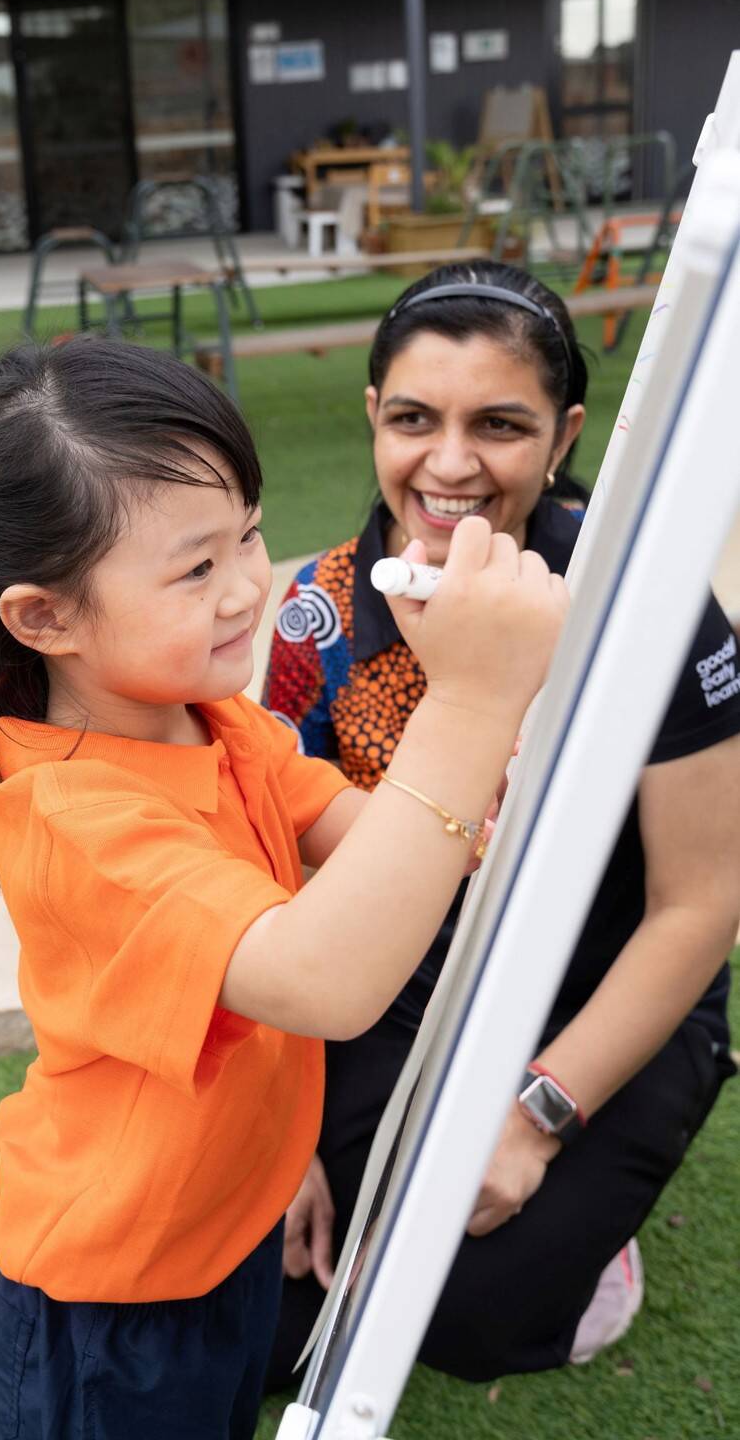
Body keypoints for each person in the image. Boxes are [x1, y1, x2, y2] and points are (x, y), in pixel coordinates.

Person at [0, 335, 567, 1439]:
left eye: (248, 534)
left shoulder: (213, 716)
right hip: (116, 1294)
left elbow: (354, 832)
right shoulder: (79, 820)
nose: (249, 585)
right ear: (44, 617)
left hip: (227, 1223)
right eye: (196, 567)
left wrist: (494, 780)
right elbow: (323, 975)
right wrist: (467, 708)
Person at [263, 261, 740, 1388]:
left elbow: (701, 903)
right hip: (397, 989)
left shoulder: (654, 607)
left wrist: (532, 1120)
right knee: (276, 1295)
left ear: (566, 432)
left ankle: (591, 1231)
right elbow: (275, 885)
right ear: (371, 415)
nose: (451, 463)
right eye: (415, 418)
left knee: (471, 1307)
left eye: (501, 424)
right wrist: (273, 1135)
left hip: (604, 989)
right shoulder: (319, 613)